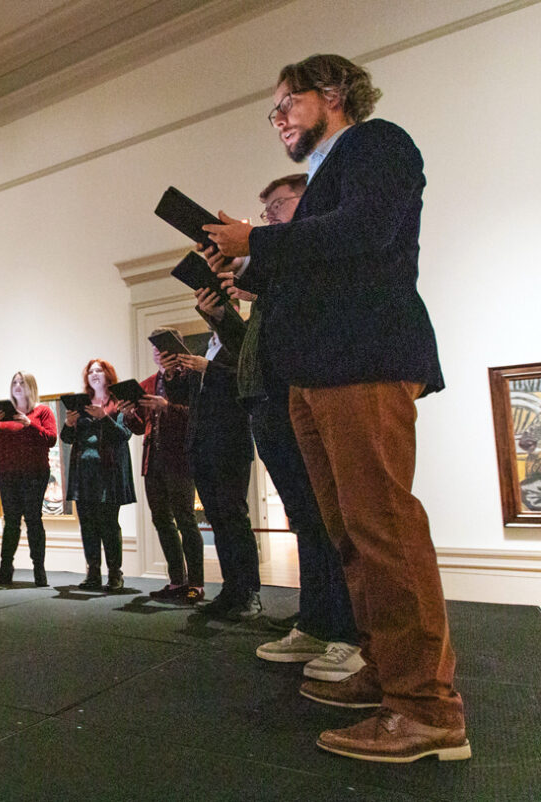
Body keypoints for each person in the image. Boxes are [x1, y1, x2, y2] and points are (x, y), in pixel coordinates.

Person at [206, 54, 467, 762]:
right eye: (274, 111)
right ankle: (386, 673)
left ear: (333, 93)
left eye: (287, 101)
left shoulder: (377, 142)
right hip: (319, 373)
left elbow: (366, 233)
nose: (280, 118)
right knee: (350, 533)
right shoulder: (324, 175)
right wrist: (250, 265)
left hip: (365, 360)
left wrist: (258, 240)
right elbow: (321, 266)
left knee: (383, 529)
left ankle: (427, 709)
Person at [201, 174, 362, 684]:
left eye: (277, 206)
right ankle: (316, 622)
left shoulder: (312, 264)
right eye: (265, 209)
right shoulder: (280, 274)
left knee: (327, 517)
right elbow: (253, 342)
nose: (268, 216)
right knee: (305, 519)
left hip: (299, 395)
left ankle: (348, 633)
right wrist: (226, 314)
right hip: (267, 401)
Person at [174, 328, 262, 623]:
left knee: (235, 517)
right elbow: (187, 399)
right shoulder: (203, 345)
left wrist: (208, 368)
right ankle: (230, 589)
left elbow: (246, 380)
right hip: (201, 445)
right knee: (218, 519)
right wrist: (174, 373)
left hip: (231, 443)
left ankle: (250, 593)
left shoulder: (240, 342)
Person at [135, 331, 202, 603]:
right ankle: (176, 580)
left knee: (185, 518)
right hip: (153, 458)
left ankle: (195, 583)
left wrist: (167, 407)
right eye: (155, 350)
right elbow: (141, 426)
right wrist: (130, 415)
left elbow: (195, 415)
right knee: (161, 519)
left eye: (163, 349)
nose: (158, 354)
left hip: (179, 457)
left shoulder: (189, 379)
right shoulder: (149, 383)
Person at [61, 359, 135, 591]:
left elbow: (124, 434)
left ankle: (115, 573)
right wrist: (69, 424)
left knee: (108, 524)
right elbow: (67, 439)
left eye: (98, 370)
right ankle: (93, 572)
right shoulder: (80, 404)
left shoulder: (117, 403)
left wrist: (104, 417)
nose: (94, 374)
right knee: (88, 524)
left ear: (107, 375)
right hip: (83, 473)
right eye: (90, 371)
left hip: (108, 472)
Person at [0, 372, 57, 587]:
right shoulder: (4, 414)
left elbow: (51, 439)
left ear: (31, 387)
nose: (17, 385)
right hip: (7, 473)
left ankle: (39, 570)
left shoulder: (42, 411)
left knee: (33, 520)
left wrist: (29, 424)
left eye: (22, 382)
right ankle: (6, 569)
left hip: (35, 474)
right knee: (11, 521)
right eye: (14, 382)